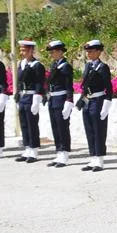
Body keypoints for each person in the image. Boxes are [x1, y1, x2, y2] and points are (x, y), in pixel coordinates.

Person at [79, 39, 114, 172]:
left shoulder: (103, 67)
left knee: (99, 130)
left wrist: (107, 103)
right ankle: (92, 157)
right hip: (88, 100)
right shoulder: (88, 66)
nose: (89, 54)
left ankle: (99, 160)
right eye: (87, 51)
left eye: (92, 51)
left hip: (98, 100)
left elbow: (108, 87)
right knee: (89, 130)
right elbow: (85, 85)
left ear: (99, 52)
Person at [15, 39, 46, 163]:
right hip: (23, 97)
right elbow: (19, 82)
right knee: (24, 124)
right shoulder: (21, 64)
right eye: (21, 50)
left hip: (32, 96)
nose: (22, 52)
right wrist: (17, 95)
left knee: (32, 124)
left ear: (31, 50)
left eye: (25, 50)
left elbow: (39, 82)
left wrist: (37, 99)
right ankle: (27, 148)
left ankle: (33, 151)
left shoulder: (37, 65)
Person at [45, 40, 75, 168]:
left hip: (61, 99)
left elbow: (69, 85)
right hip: (53, 99)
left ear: (60, 52)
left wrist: (69, 100)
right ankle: (59, 151)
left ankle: (64, 154)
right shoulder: (54, 65)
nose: (51, 54)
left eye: (53, 52)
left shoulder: (65, 66)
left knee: (62, 127)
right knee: (55, 127)